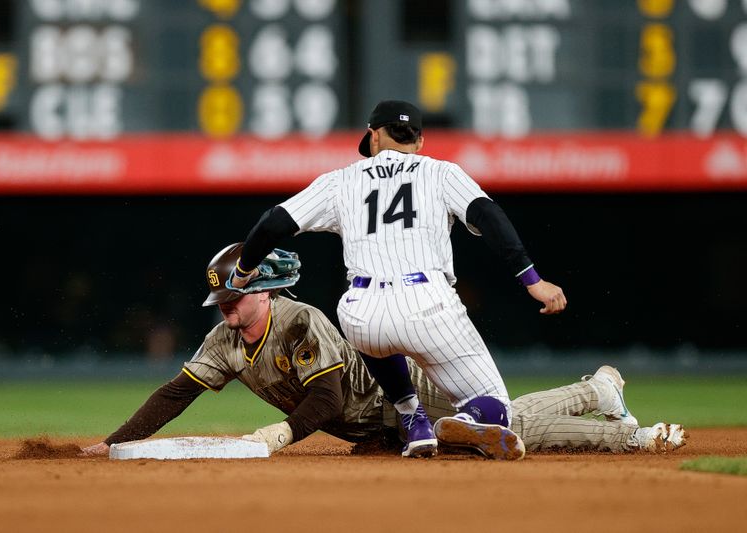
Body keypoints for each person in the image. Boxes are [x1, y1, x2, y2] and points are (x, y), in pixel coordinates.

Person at [80, 245, 686, 458]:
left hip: (413, 398)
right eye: (222, 305)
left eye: (235, 300)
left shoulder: (299, 321)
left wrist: (281, 435)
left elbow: (328, 396)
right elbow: (176, 393)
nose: (226, 312)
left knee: (513, 428)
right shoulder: (227, 337)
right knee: (501, 434)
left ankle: (624, 430)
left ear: (263, 291)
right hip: (386, 427)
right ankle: (598, 391)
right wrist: (115, 441)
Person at [229, 100, 567, 459]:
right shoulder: (442, 173)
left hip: (362, 313)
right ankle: (467, 418)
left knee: (371, 331)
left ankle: (411, 416)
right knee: (497, 404)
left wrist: (244, 270)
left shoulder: (341, 180)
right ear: (419, 142)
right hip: (429, 306)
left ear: (374, 137)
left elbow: (274, 222)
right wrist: (532, 280)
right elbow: (489, 217)